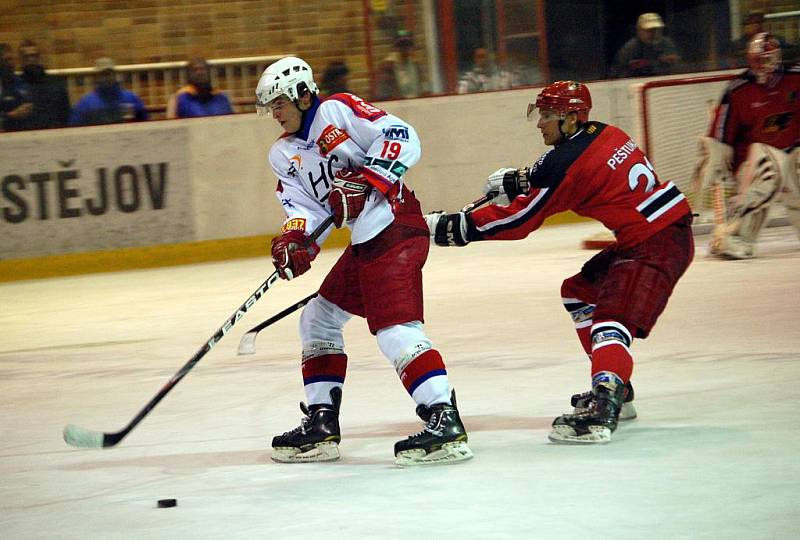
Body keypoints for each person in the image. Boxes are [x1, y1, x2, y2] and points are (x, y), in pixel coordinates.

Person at [425, 81, 694, 444]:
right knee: (579, 291)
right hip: (658, 233)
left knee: (610, 320)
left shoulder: (567, 163)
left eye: (548, 115)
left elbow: (520, 221)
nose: (540, 123)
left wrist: (454, 227)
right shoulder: (605, 132)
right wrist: (522, 179)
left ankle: (604, 407)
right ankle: (618, 389)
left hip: (653, 244)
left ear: (571, 117)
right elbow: (562, 169)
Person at [254, 56, 472, 465]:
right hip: (366, 242)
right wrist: (295, 239)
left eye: (279, 103)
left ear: (303, 95)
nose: (275, 113)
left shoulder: (337, 109)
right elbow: (306, 208)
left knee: (394, 329)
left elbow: (402, 135)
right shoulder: (282, 154)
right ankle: (322, 423)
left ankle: (443, 419)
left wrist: (368, 178)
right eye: (271, 107)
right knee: (317, 319)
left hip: (395, 227)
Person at [695, 33, 800, 260]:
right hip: (754, 159)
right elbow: (721, 136)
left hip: (793, 151)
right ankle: (736, 235)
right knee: (771, 173)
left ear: (776, 57)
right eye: (755, 60)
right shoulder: (737, 90)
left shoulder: (796, 78)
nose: (758, 66)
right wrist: (715, 159)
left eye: (764, 60)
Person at [70, 57, 148, 126]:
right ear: (96, 77)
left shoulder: (131, 99)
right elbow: (76, 128)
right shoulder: (85, 103)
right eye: (103, 74)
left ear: (115, 75)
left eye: (109, 73)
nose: (107, 77)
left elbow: (144, 123)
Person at [15, 39, 71, 130]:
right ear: (21, 60)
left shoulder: (56, 85)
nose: (31, 59)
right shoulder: (16, 86)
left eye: (34, 56)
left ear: (40, 57)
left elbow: (65, 114)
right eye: (26, 57)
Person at [611, 12, 681, 78]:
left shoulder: (666, 43)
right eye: (649, 30)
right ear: (639, 30)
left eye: (657, 29)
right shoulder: (630, 48)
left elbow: (676, 67)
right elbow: (618, 72)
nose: (654, 33)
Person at [166, 57, 233, 119]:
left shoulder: (222, 97)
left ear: (209, 72)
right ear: (188, 74)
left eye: (203, 69)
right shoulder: (178, 98)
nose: (199, 73)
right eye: (195, 70)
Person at [375, 30, 426, 100]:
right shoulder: (387, 67)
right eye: (402, 45)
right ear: (395, 47)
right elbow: (382, 95)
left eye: (408, 44)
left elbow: (422, 90)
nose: (405, 48)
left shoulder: (416, 65)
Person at [0, 43, 32, 132]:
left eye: (12, 59)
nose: (11, 64)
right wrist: (11, 115)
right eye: (7, 60)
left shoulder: (19, 81)